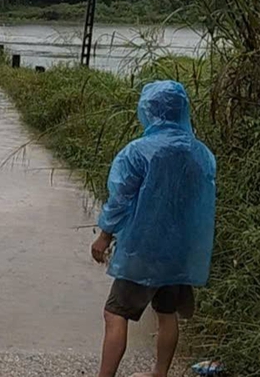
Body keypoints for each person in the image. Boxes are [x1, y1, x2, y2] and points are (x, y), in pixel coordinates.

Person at [90, 80, 216, 377]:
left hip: (142, 248)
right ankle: (159, 373)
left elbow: (120, 199)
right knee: (166, 313)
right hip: (179, 248)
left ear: (149, 110)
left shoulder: (138, 152)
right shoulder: (200, 154)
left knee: (115, 312)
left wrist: (104, 236)